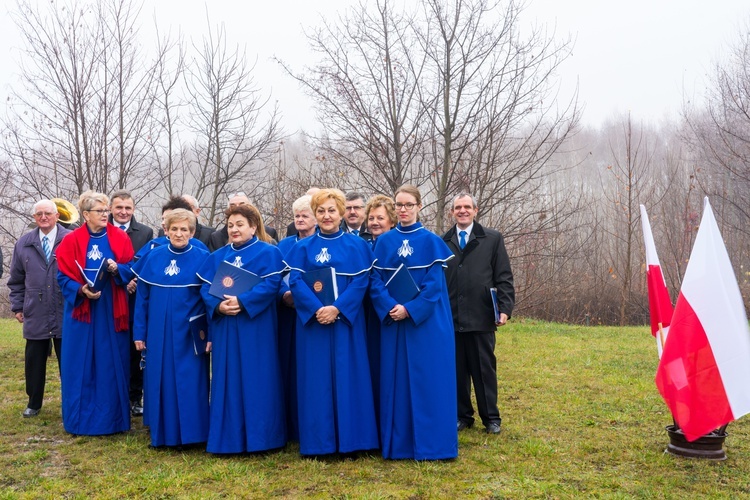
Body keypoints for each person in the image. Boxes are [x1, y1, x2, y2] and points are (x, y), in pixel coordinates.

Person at [283, 188, 379, 456]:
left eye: (331, 211)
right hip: (314, 325)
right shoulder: (302, 247)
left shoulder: (357, 245)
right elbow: (296, 281)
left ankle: (353, 441)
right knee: (316, 381)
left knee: (350, 377)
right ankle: (319, 442)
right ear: (315, 215)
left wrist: (337, 309)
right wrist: (317, 309)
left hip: (347, 322)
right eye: (321, 211)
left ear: (341, 214)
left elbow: (361, 281)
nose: (327, 216)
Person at [370, 184, 458, 460]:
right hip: (394, 322)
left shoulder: (432, 241)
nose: (403, 210)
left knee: (429, 382)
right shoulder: (383, 242)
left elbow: (434, 287)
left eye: (409, 204)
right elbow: (374, 282)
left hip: (426, 324)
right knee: (396, 382)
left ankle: (434, 446)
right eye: (399, 205)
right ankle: (399, 445)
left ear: (419, 207)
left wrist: (410, 309)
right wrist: (390, 307)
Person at [197, 203, 286, 454]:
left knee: (258, 377)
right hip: (226, 326)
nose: (234, 230)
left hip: (255, 326)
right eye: (230, 226)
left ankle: (263, 439)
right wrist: (218, 307)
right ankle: (228, 438)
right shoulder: (217, 256)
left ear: (253, 227)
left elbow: (272, 285)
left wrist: (243, 302)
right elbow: (206, 289)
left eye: (239, 225)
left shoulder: (269, 253)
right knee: (227, 378)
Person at [56, 191, 134, 435]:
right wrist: (81, 290)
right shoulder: (70, 241)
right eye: (100, 211)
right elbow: (62, 276)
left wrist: (117, 268)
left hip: (111, 310)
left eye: (106, 210)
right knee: (79, 363)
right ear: (86, 214)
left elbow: (132, 268)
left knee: (111, 363)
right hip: (83, 312)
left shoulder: (120, 238)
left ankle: (113, 420)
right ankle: (79, 419)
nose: (105, 215)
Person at [132, 208, 210, 448]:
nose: (179, 234)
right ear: (165, 230)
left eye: (184, 229)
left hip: (189, 332)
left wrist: (211, 334)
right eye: (174, 229)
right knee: (160, 378)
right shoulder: (153, 258)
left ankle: (193, 434)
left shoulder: (202, 257)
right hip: (158, 331)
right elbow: (142, 300)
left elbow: (209, 300)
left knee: (190, 379)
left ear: (192, 231)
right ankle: (162, 433)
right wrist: (139, 333)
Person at [443, 194, 514, 435]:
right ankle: (462, 416)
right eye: (457, 208)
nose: (462, 211)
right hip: (451, 318)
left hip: (482, 316)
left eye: (466, 207)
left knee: (484, 370)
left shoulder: (492, 238)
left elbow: (503, 275)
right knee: (456, 371)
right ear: (452, 212)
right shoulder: (443, 241)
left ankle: (491, 418)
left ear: (475, 210)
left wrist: (505, 308)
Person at [8, 199, 72, 418]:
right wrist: (17, 306)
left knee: (69, 360)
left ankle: (71, 401)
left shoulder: (70, 239)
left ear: (57, 216)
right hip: (35, 311)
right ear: (34, 218)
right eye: (39, 214)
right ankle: (34, 402)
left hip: (66, 310)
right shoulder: (23, 243)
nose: (43, 217)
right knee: (34, 362)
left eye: (47, 213)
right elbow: (16, 280)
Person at [109, 189, 154, 417]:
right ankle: (114, 397)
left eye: (128, 208)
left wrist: (132, 281)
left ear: (133, 209)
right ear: (111, 209)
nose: (123, 212)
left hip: (135, 297)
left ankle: (135, 398)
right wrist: (119, 282)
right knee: (112, 348)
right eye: (119, 207)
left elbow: (145, 262)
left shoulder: (145, 232)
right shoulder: (102, 231)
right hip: (108, 297)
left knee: (135, 349)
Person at [276, 194, 317, 441]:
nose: (300, 220)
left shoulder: (322, 244)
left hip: (314, 314)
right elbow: (275, 276)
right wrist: (285, 295)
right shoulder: (284, 246)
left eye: (305, 215)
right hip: (288, 313)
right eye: (296, 216)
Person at [362, 194, 397, 438]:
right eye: (371, 218)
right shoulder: (363, 246)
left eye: (380, 218)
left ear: (392, 221)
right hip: (364, 314)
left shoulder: (395, 245)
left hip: (388, 313)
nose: (375, 222)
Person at [208, 192, 278, 251]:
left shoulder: (270, 239)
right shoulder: (216, 238)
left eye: (242, 205)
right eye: (233, 206)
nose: (237, 208)